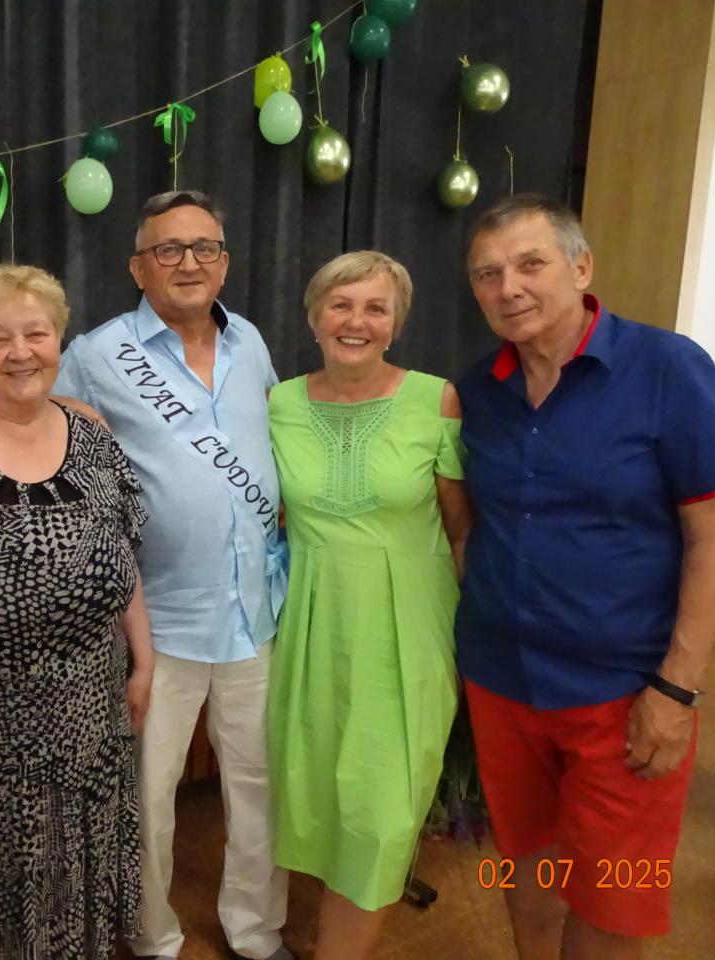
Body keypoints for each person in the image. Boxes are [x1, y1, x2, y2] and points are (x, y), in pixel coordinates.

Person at [455, 194, 715, 959]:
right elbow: (470, 528)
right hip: (501, 681)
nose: (508, 287)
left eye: (530, 264)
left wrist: (677, 690)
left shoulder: (668, 368)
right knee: (527, 871)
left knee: (613, 899)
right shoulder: (477, 391)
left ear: (581, 267)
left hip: (624, 692)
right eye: (488, 273)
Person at [53, 191, 292, 960]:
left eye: (204, 248)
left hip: (255, 613)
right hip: (156, 625)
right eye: (169, 249)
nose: (188, 262)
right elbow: (50, 448)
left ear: (224, 261)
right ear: (138, 267)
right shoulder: (98, 355)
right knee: (147, 799)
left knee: (260, 791)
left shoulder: (250, 341)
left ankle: (256, 932)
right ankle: (154, 939)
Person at [0, 264, 153, 960]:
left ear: (58, 340)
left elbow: (123, 551)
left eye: (37, 334)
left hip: (89, 715)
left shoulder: (94, 439)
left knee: (78, 886)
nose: (21, 353)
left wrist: (144, 658)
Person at [266, 251, 471, 960]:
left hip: (407, 627)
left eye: (375, 308)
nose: (357, 321)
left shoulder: (435, 400)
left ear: (396, 323)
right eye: (341, 304)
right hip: (310, 625)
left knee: (383, 810)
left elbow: (462, 528)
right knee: (320, 796)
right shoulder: (279, 404)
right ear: (314, 317)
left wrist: (476, 637)